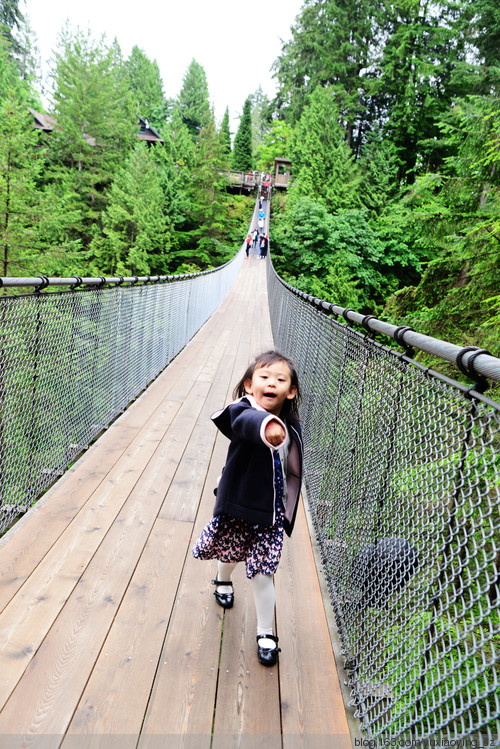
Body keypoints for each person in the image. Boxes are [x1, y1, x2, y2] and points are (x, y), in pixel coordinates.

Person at [192, 350, 303, 667]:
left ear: (290, 390)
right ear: (249, 385)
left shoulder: (292, 427)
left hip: (269, 515)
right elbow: (244, 421)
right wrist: (266, 425)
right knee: (229, 554)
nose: (272, 383)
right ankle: (222, 580)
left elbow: (292, 470)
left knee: (263, 573)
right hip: (239, 506)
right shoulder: (245, 411)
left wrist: (289, 510)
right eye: (264, 378)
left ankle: (266, 634)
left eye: (280, 380)